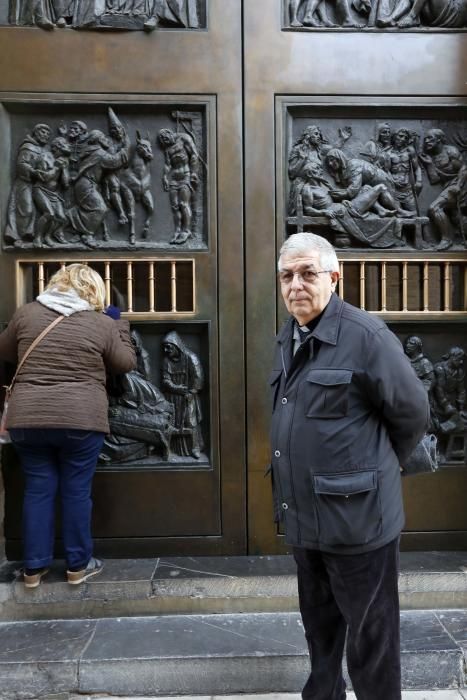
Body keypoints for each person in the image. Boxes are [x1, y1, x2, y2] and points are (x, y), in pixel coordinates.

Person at [269, 232, 429, 700]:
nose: (295, 284)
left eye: (307, 273)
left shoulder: (366, 336)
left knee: (371, 639)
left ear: (334, 277)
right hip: (305, 520)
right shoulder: (288, 337)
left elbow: (413, 412)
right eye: (286, 275)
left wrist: (376, 470)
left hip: (359, 523)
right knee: (319, 632)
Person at [0, 264, 136, 588]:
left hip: (28, 419)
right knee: (76, 491)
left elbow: (5, 351)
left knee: (37, 489)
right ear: (93, 290)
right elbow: (126, 363)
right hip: (80, 419)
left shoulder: (26, 314)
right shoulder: (102, 322)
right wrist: (121, 324)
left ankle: (33, 569)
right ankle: (78, 565)